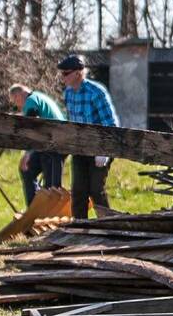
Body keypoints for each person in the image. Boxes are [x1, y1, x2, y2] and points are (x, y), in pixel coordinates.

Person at [57, 54, 119, 219]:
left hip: (100, 149)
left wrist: (104, 151)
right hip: (80, 149)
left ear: (78, 73)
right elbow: (72, 124)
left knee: (96, 190)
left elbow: (111, 125)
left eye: (65, 74)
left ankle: (108, 227)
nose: (62, 78)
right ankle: (80, 228)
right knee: (78, 192)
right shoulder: (68, 93)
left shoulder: (96, 92)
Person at [8, 83, 66, 205]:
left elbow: (33, 129)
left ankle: (48, 211)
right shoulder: (37, 97)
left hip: (55, 145)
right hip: (48, 143)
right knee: (27, 170)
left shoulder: (30, 102)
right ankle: (35, 207)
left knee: (52, 186)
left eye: (15, 101)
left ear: (19, 95)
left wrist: (27, 154)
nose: (17, 105)